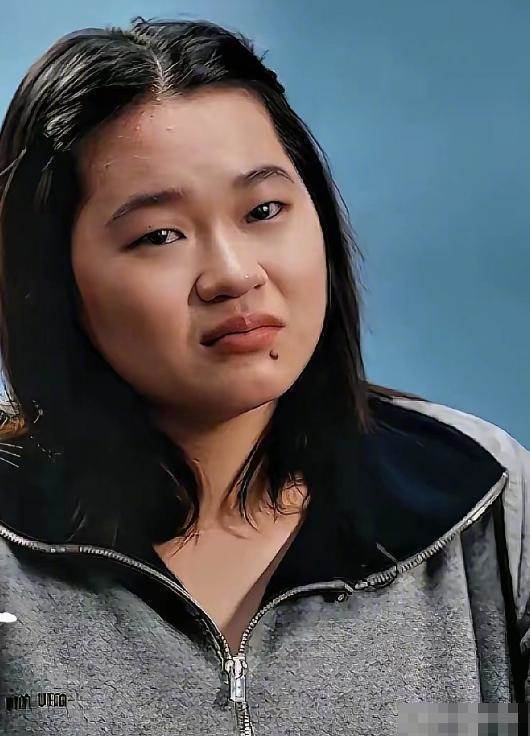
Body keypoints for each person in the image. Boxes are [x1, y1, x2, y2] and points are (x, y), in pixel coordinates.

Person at [0, 16, 528, 735]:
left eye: (264, 210)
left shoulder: (484, 498)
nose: (233, 273)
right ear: (50, 282)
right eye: (159, 235)